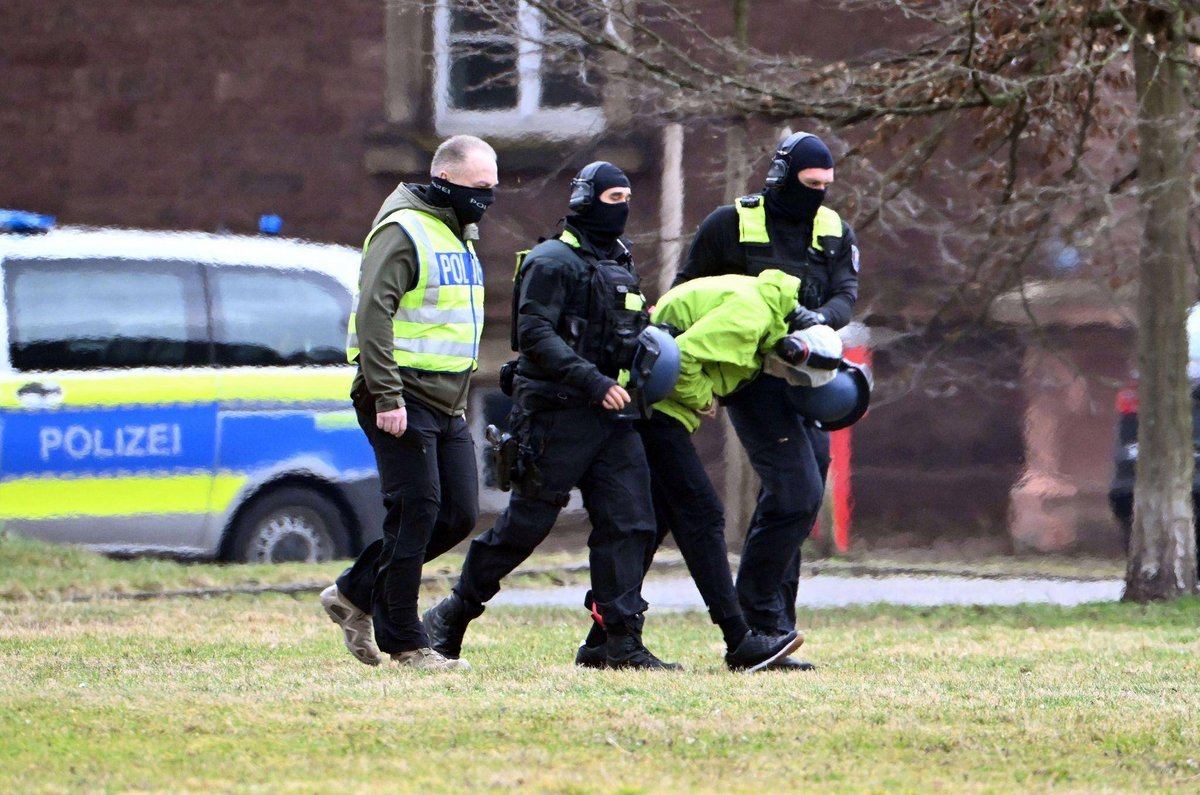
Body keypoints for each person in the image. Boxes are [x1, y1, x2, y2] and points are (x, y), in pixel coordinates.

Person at [423, 162, 676, 670]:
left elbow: (628, 335)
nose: (623, 207)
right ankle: (451, 615)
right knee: (525, 527)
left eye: (628, 196)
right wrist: (593, 381)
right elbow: (536, 335)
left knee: (630, 523)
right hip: (556, 416)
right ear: (585, 200)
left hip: (612, 417)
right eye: (612, 197)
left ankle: (618, 642)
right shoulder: (550, 261)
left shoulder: (622, 262)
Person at [573, 269, 848, 672]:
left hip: (660, 407)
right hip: (656, 408)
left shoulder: (769, 312)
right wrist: (704, 397)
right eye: (790, 372)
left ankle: (605, 640)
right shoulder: (748, 320)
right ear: (793, 347)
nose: (783, 377)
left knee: (651, 524)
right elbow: (679, 360)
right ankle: (739, 640)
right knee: (702, 516)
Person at [674, 131, 861, 670]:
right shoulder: (729, 224)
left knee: (799, 495)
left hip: (810, 376)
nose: (817, 196)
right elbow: (685, 293)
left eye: (826, 186)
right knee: (796, 490)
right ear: (782, 177)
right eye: (809, 185)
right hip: (750, 376)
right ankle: (758, 615)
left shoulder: (834, 231)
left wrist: (815, 324)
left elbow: (845, 294)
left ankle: (778, 626)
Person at [319, 134, 498, 672]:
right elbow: (374, 314)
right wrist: (387, 396)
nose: (488, 199)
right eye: (479, 188)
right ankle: (408, 643)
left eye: (493, 188)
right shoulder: (404, 230)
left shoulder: (456, 231)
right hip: (398, 392)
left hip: (447, 401)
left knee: (458, 514)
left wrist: (462, 397)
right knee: (415, 510)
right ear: (445, 181)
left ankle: (352, 592)